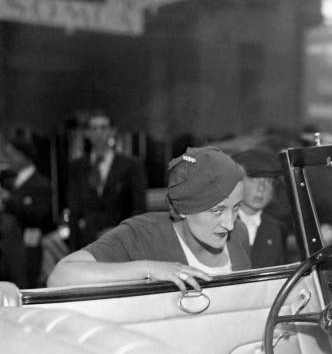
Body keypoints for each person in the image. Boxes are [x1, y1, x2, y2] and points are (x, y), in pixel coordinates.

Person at [48, 146, 251, 291]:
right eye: (217, 210)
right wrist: (148, 269)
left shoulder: (239, 234)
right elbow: (61, 277)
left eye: (236, 208)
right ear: (183, 208)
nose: (229, 223)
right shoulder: (141, 235)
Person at [67, 111, 146, 250]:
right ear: (87, 133)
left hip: (120, 240)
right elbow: (73, 208)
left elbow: (138, 207)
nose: (98, 133)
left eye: (103, 127)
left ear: (112, 131)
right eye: (94, 128)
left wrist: (119, 233)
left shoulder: (131, 166)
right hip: (85, 242)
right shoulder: (76, 167)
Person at [0, 137, 54, 287]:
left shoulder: (41, 184)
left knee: (24, 282)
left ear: (24, 156)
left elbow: (39, 215)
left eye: (12, 154)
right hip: (7, 246)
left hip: (28, 247)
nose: (8, 159)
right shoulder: (8, 180)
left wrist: (8, 200)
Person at [233, 148, 287, 268]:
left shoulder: (276, 229)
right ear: (238, 181)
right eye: (254, 179)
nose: (261, 188)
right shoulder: (221, 223)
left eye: (268, 181)